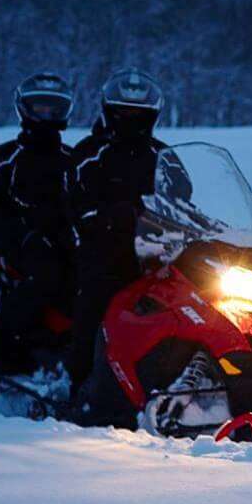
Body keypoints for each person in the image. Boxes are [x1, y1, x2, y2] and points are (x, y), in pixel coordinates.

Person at [65, 68, 169, 388]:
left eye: (139, 114)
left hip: (157, 251)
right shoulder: (89, 153)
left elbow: (183, 199)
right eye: (125, 113)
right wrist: (111, 216)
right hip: (104, 250)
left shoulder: (164, 156)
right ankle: (80, 383)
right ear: (110, 112)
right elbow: (75, 204)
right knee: (97, 301)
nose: (132, 119)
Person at [0, 72, 77, 374]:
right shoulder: (6, 158)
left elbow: (87, 201)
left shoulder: (73, 159)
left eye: (53, 108)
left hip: (64, 240)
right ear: (25, 109)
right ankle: (0, 344)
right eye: (40, 107)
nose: (47, 114)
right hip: (16, 245)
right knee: (47, 275)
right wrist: (21, 233)